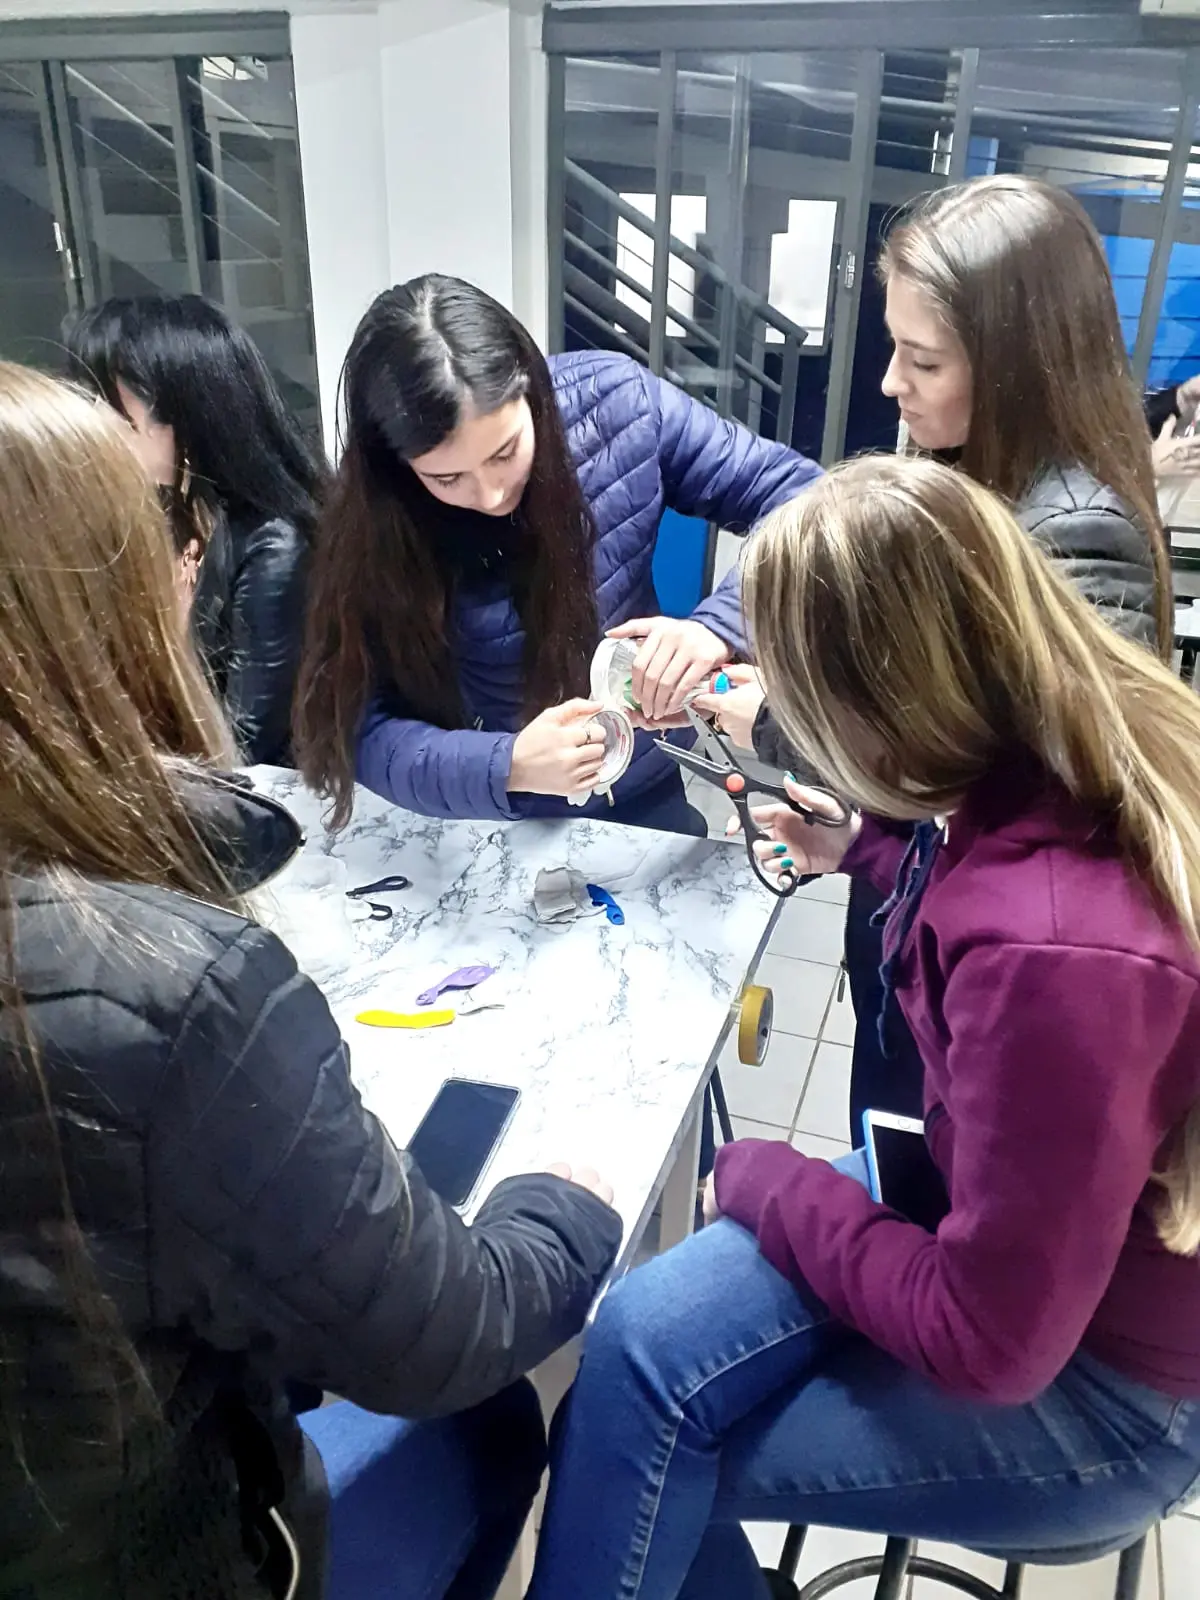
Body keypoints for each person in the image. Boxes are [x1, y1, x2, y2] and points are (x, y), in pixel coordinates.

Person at [527, 454, 1200, 1600]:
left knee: (644, 1444)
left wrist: (766, 1182)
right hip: (994, 1227)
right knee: (636, 1347)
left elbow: (991, 1343)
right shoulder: (1045, 738)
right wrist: (871, 848)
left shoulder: (1051, 953)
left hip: (1104, 1390)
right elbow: (978, 867)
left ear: (881, 715)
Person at [0, 360, 622, 1599]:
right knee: (492, 1416)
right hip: (161, 1552)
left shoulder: (616, 420)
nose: (192, 565)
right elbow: (442, 1331)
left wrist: (703, 637)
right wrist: (569, 1199)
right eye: (162, 546)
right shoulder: (180, 994)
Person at [694, 174, 1171, 1138]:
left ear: (1015, 368)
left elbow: (1007, 795)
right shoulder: (971, 478)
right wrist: (863, 843)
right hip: (916, 920)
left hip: (979, 983)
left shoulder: (1077, 535)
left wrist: (784, 726)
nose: (888, 385)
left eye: (922, 360)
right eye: (893, 349)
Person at [293, 274, 821, 836]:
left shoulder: (615, 404)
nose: (491, 495)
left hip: (643, 786)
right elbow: (359, 728)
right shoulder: (376, 521)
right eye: (447, 478)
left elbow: (805, 498)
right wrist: (508, 765)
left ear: (534, 396)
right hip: (479, 813)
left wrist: (721, 624)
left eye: (505, 453)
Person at [64, 294, 324, 766]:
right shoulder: (178, 508)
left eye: (114, 416)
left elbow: (249, 747)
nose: (96, 435)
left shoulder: (275, 547)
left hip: (268, 805)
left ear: (187, 416)